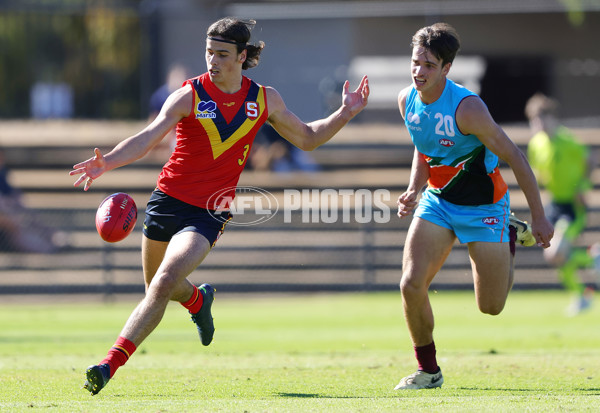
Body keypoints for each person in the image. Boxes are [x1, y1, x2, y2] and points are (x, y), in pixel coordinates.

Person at [70, 17, 369, 395]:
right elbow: (148, 137)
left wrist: (345, 112)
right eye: (209, 51)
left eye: (222, 54)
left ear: (243, 56)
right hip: (167, 201)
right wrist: (108, 161)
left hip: (208, 210)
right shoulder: (188, 95)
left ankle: (107, 365)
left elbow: (308, 139)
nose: (213, 60)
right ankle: (199, 299)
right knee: (157, 288)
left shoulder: (263, 99)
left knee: (163, 282)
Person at [394, 23, 553, 390]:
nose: (419, 71)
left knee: (491, 307)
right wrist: (414, 188)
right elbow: (425, 145)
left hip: (484, 206)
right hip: (438, 202)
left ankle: (510, 232)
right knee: (410, 284)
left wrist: (540, 217)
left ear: (447, 68)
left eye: (430, 65)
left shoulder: (468, 109)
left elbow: (516, 158)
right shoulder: (407, 100)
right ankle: (428, 371)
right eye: (416, 62)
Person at [525, 92, 598, 315]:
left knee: (556, 251)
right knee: (553, 254)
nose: (539, 125)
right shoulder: (536, 145)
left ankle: (593, 260)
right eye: (534, 121)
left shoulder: (567, 141)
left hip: (572, 205)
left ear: (552, 119)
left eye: (542, 119)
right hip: (554, 204)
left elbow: (590, 160)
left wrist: (582, 186)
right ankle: (584, 288)